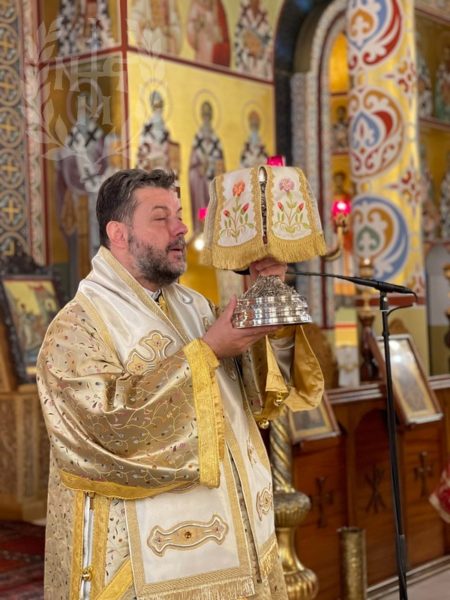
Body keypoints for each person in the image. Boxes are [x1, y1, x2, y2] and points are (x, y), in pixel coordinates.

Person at [37, 168, 324, 599]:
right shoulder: (78, 327)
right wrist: (206, 352)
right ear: (118, 233)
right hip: (148, 569)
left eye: (180, 215)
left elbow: (257, 396)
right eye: (161, 218)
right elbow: (107, 429)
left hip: (238, 547)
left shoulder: (197, 307)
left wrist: (266, 304)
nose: (181, 228)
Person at [188, 100, 225, 234]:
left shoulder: (216, 141)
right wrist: (199, 169)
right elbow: (191, 168)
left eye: (208, 114)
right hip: (200, 184)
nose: (206, 117)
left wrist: (215, 169)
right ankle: (200, 232)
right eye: (204, 114)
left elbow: (222, 168)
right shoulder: (197, 140)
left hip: (212, 184)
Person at [136, 90, 180, 175]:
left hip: (164, 174)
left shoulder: (166, 132)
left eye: (160, 105)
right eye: (156, 106)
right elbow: (141, 159)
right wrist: (154, 161)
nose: (159, 109)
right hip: (150, 174)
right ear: (152, 107)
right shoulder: (146, 131)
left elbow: (171, 158)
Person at [234, 0, 273, 80]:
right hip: (245, 65)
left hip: (262, 65)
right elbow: (239, 40)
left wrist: (261, 50)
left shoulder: (264, 13)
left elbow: (269, 41)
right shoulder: (243, 10)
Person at [186, 0, 230, 66]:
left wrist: (216, 33)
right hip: (202, 48)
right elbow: (191, 26)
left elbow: (223, 35)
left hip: (215, 52)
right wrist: (198, 24)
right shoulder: (196, 5)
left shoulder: (217, 5)